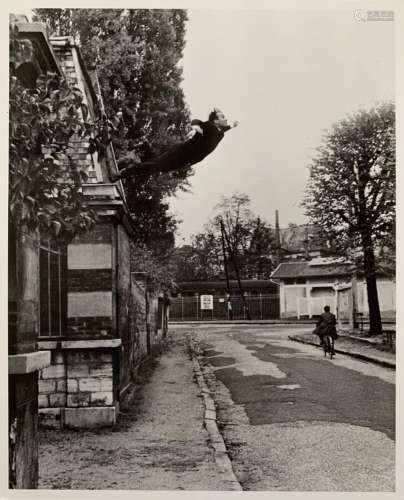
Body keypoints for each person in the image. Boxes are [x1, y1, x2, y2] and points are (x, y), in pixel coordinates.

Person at [110, 108, 239, 181]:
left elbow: (225, 128)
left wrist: (232, 126)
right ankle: (122, 173)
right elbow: (196, 121)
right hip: (181, 152)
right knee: (154, 165)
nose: (225, 119)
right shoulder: (210, 126)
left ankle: (130, 161)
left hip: (185, 161)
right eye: (223, 117)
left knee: (156, 168)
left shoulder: (220, 134)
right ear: (216, 121)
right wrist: (195, 127)